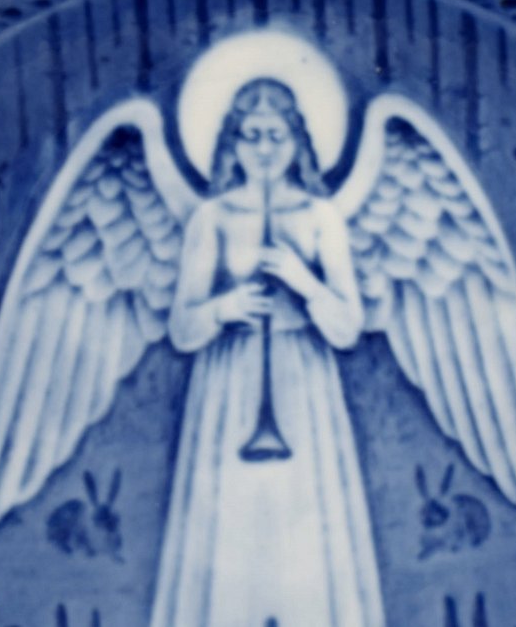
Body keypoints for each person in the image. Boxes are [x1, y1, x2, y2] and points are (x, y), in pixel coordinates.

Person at [153, 78, 384, 627]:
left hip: (305, 386)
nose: (263, 149)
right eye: (251, 135)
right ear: (231, 143)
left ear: (297, 142)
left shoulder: (320, 217)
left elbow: (348, 329)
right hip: (227, 383)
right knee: (228, 527)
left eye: (275, 136)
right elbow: (181, 330)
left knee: (306, 528)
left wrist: (304, 283)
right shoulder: (212, 218)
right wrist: (223, 308)